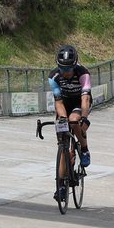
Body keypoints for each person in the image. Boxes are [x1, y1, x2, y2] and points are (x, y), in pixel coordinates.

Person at [48, 44, 92, 202]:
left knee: (74, 121)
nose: (65, 72)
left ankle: (84, 149)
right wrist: (62, 119)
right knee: (62, 143)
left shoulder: (83, 73)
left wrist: (84, 118)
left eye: (68, 69)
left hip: (80, 103)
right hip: (64, 104)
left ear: (75, 65)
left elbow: (85, 99)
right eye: (62, 69)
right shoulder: (54, 77)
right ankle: (61, 186)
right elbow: (58, 102)